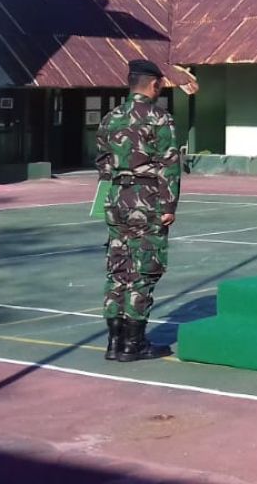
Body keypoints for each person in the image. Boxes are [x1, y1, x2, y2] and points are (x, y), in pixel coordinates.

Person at [95, 58, 179, 363]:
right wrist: (169, 205)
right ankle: (134, 344)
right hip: (147, 198)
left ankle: (114, 342)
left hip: (116, 198)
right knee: (143, 269)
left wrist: (106, 201)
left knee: (117, 268)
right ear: (154, 84)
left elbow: (103, 164)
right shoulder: (159, 118)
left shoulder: (110, 118)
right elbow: (170, 164)